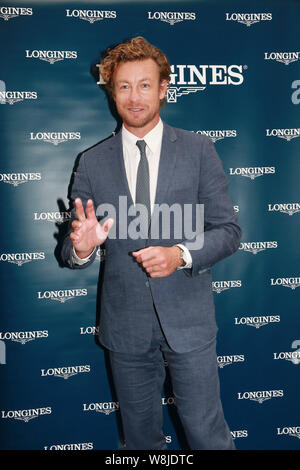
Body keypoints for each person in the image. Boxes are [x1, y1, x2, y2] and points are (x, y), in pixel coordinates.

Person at [61, 37, 241, 450]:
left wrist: (180, 254)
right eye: (123, 86)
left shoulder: (198, 149)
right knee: (140, 441)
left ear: (163, 88)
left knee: (208, 436)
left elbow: (228, 231)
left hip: (189, 321)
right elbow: (72, 251)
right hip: (125, 325)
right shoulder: (91, 162)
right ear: (111, 92)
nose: (134, 96)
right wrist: (84, 248)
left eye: (145, 85)